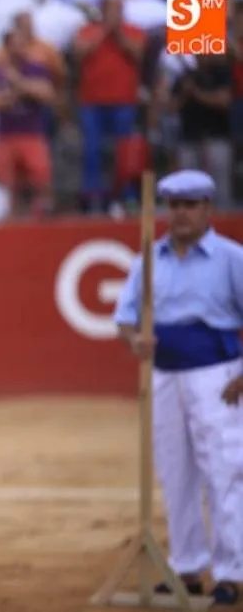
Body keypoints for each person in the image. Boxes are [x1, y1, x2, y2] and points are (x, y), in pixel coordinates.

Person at [113, 169, 243, 607]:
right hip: (164, 376)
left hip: (218, 375)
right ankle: (186, 567)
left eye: (190, 205)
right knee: (175, 471)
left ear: (208, 208)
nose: (181, 213)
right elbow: (125, 319)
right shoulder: (149, 259)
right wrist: (136, 340)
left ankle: (231, 572)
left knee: (224, 470)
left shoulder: (232, 258)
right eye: (175, 205)